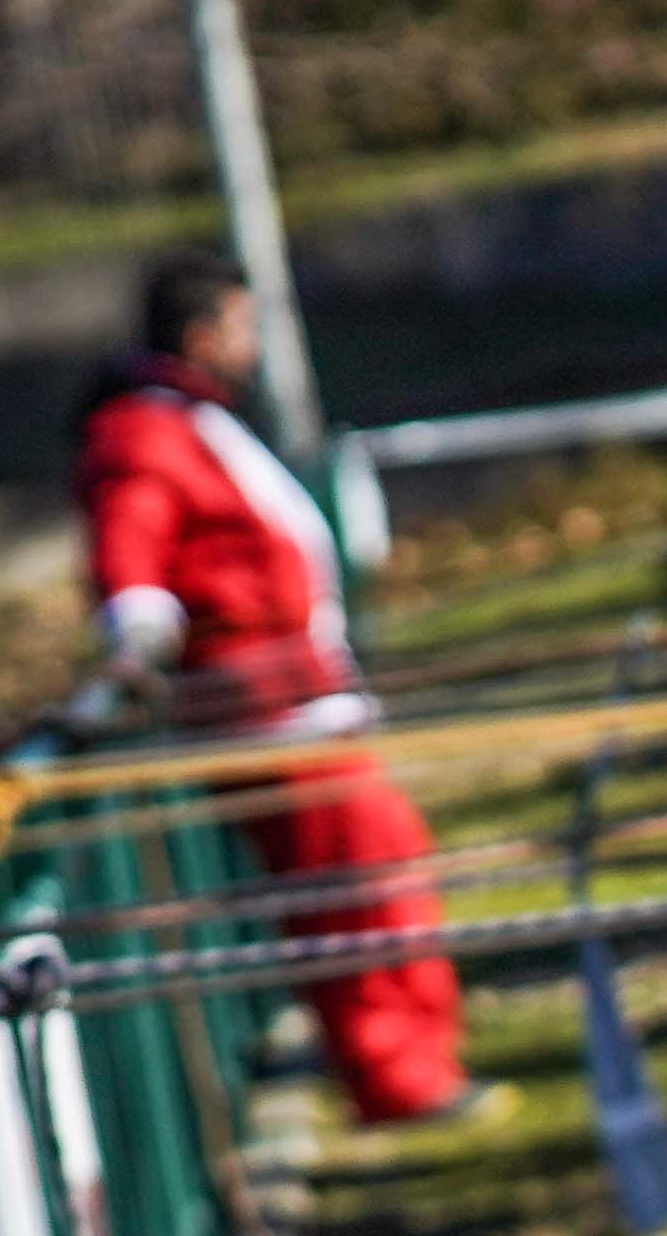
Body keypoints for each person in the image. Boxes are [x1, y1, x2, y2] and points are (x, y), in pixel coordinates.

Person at [74, 247, 470, 1126]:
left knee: (388, 877)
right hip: (267, 721)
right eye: (244, 326)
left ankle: (421, 1067)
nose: (253, 347)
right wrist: (137, 633)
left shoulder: (189, 421)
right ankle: (399, 1082)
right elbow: (132, 545)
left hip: (305, 706)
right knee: (352, 904)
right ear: (201, 331)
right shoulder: (143, 432)